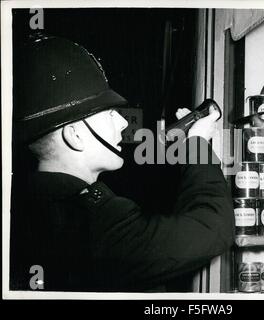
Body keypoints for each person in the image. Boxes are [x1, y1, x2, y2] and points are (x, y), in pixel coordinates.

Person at [10, 35, 235, 292]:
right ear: (75, 135)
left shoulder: (31, 209)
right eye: (109, 114)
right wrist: (197, 146)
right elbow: (211, 228)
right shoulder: (96, 225)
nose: (124, 123)